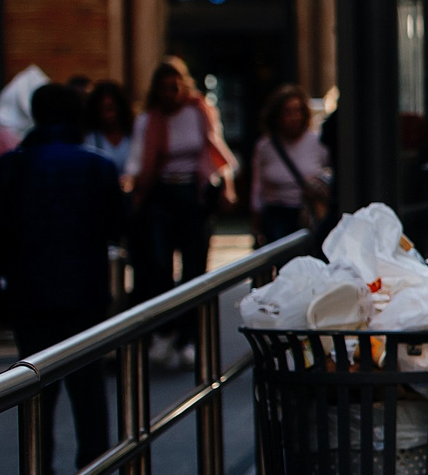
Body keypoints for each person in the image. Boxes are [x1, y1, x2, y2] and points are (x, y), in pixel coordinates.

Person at [0, 84, 127, 475]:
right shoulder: (97, 166)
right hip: (84, 291)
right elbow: (117, 226)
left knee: (34, 391)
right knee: (88, 393)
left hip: (30, 292)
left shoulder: (11, 166)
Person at [128, 58, 234, 370]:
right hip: (160, 194)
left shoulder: (199, 112)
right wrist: (131, 184)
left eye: (176, 86)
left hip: (193, 194)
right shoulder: (149, 120)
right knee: (159, 266)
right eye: (164, 88)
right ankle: (165, 331)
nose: (171, 92)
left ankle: (188, 337)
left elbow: (216, 149)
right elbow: (137, 161)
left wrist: (224, 185)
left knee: (193, 270)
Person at [251, 84, 330, 244]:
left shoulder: (317, 143)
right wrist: (256, 223)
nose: (294, 117)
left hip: (307, 213)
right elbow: (257, 188)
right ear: (277, 115)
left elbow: (329, 173)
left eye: (298, 110)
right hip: (276, 216)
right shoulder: (265, 147)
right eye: (287, 111)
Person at [83, 81, 137, 180]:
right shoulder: (90, 140)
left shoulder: (132, 136)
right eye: (102, 109)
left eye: (111, 108)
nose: (108, 115)